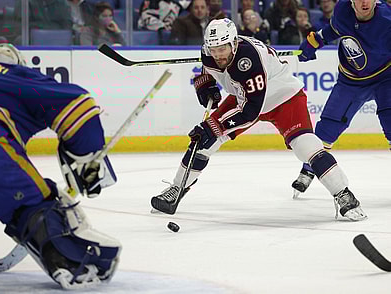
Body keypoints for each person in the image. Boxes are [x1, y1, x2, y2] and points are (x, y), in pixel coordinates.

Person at [150, 18, 367, 221]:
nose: (218, 55)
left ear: (234, 43)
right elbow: (209, 70)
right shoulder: (210, 52)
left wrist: (215, 126)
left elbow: (250, 111)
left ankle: (344, 194)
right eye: (214, 50)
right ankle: (177, 188)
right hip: (244, 95)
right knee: (203, 141)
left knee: (306, 146)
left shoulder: (248, 59)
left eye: (222, 49)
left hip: (283, 96)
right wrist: (206, 86)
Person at [0, 44, 121, 289]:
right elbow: (77, 103)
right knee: (36, 205)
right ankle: (70, 262)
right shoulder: (14, 75)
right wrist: (87, 160)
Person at [291, 0, 391, 198]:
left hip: (385, 78)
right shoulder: (342, 10)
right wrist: (312, 44)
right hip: (351, 81)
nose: (364, 2)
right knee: (328, 126)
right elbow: (332, 31)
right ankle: (308, 170)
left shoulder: (387, 19)